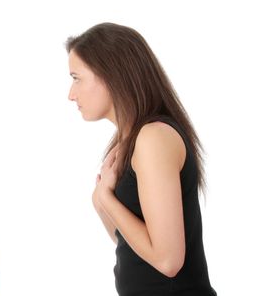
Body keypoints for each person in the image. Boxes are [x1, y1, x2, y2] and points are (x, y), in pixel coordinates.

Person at [66, 23, 217, 295]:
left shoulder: (153, 138)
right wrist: (103, 201)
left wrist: (106, 198)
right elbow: (130, 244)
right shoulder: (131, 141)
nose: (70, 94)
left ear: (110, 75)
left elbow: (168, 261)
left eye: (76, 78)